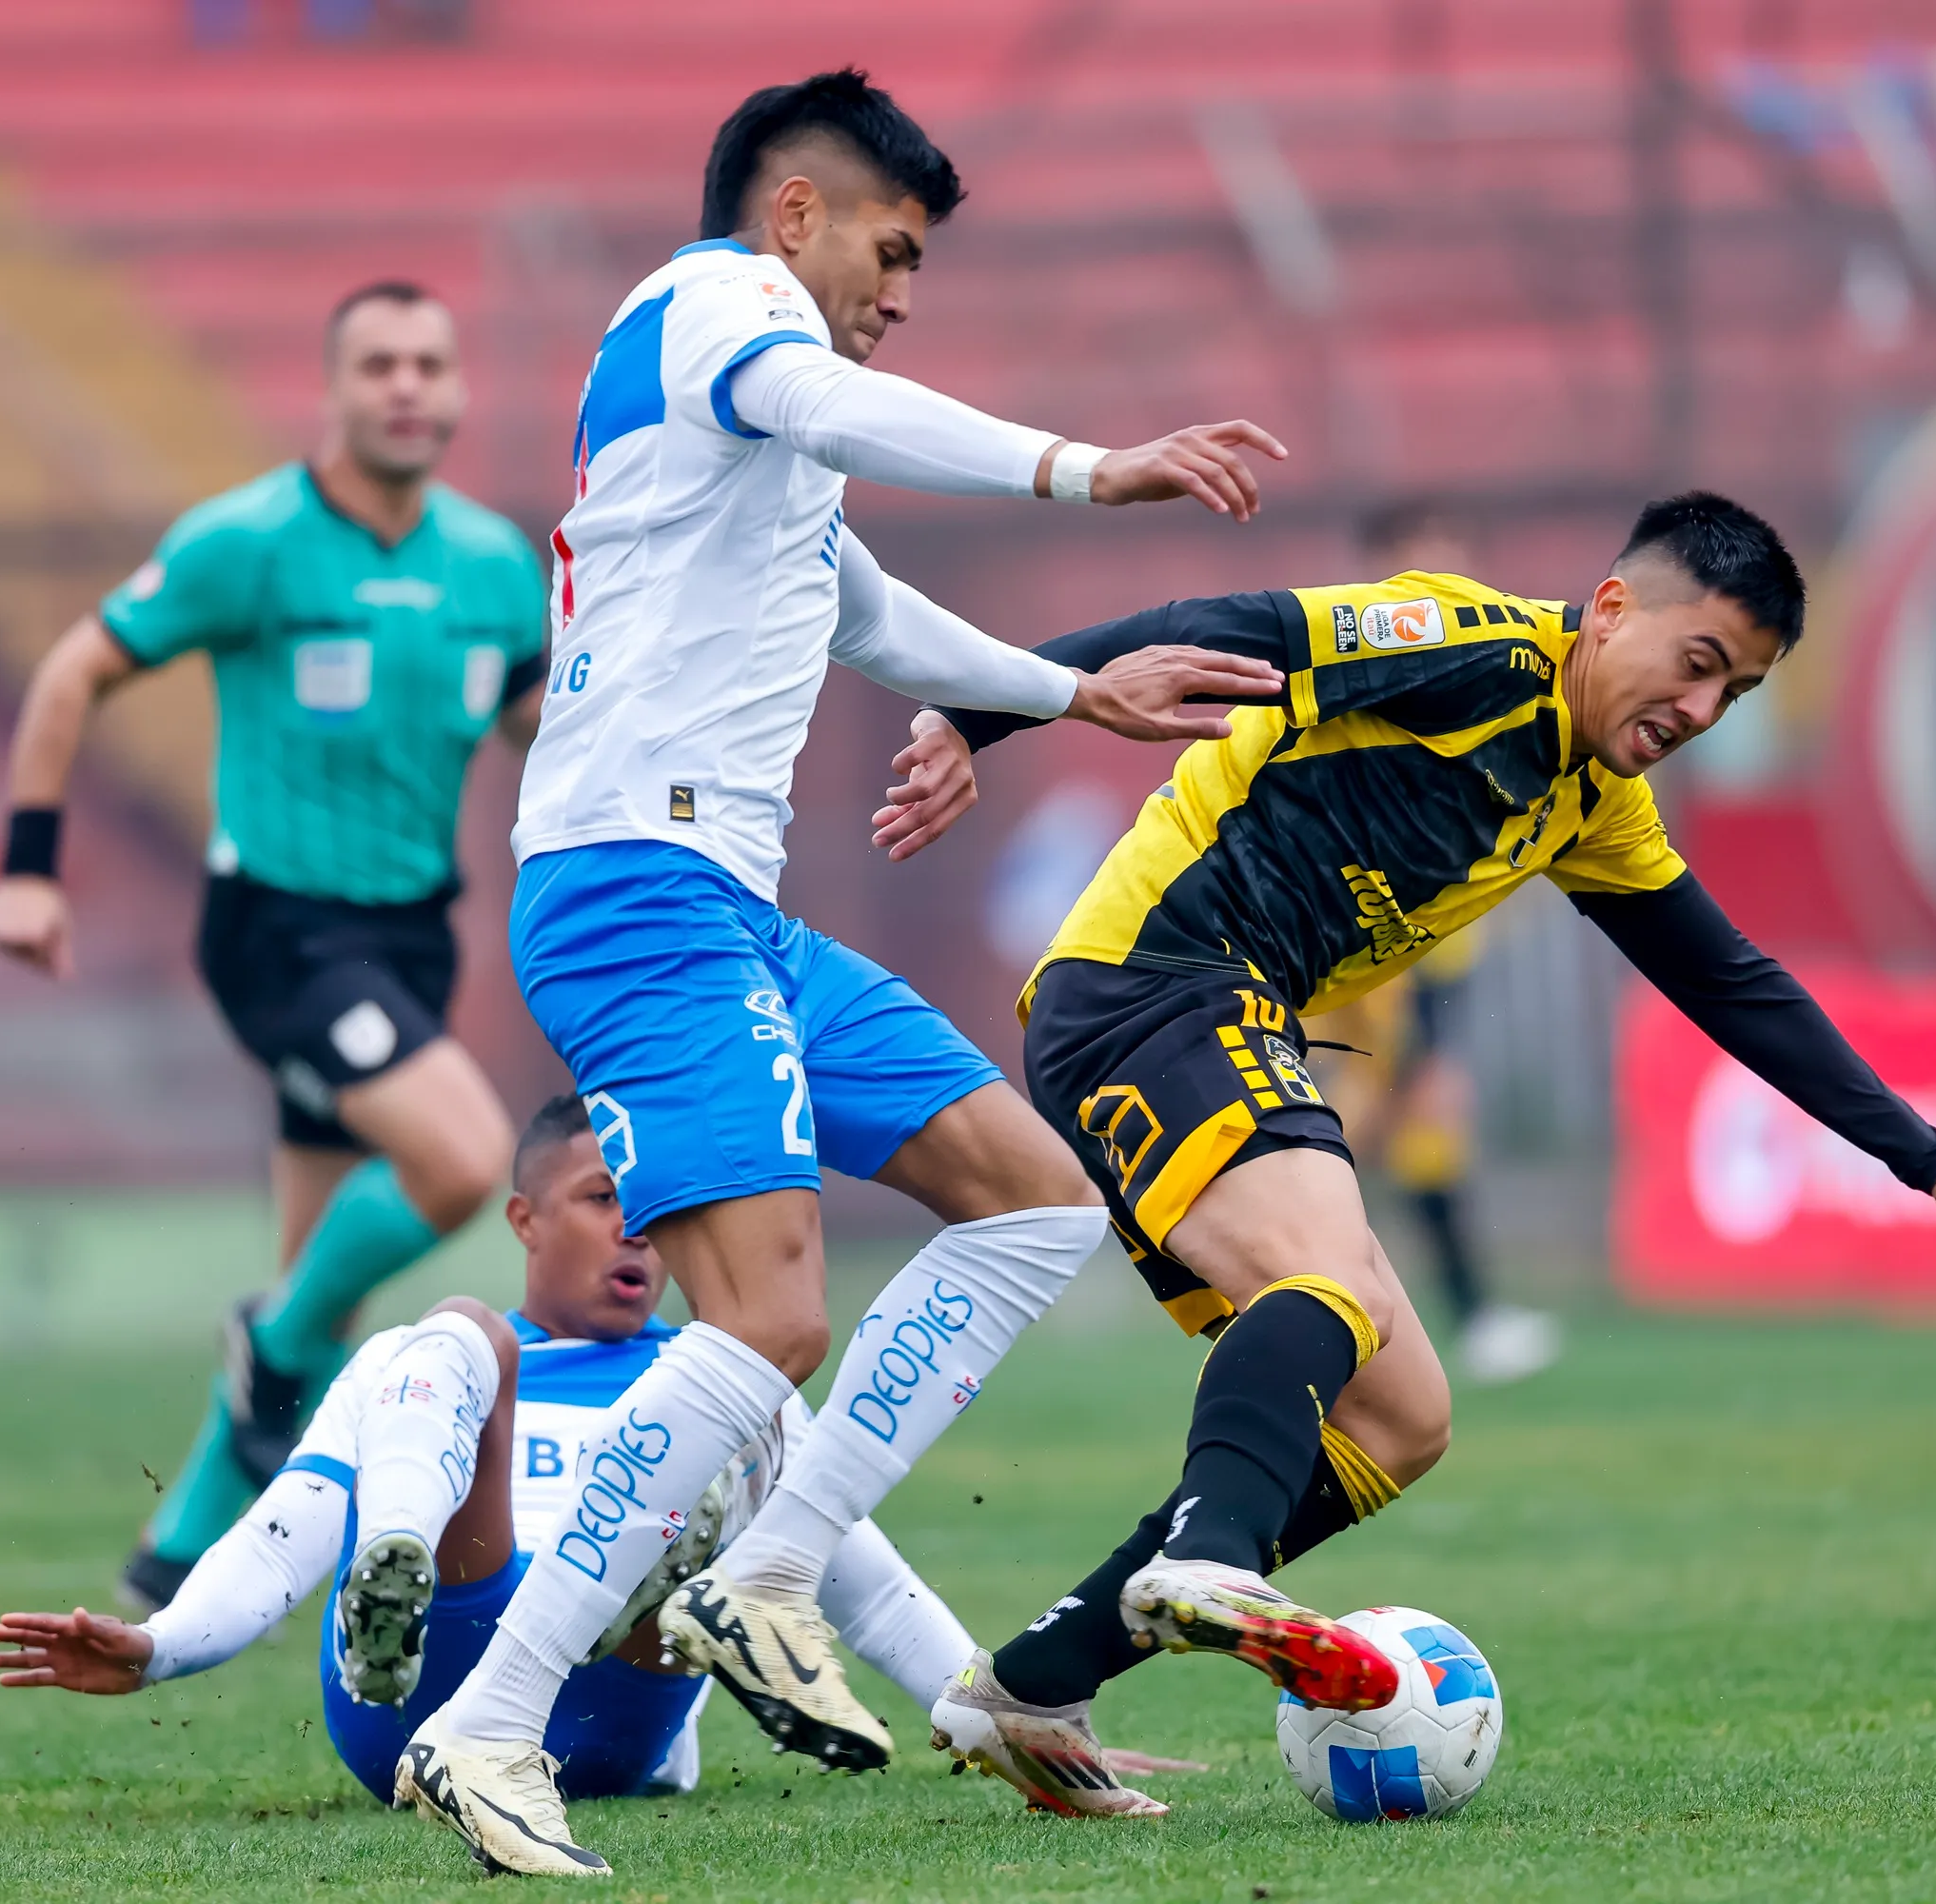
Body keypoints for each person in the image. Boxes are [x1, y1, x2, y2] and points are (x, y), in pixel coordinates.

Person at [393, 69, 1290, 1875]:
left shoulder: (754, 429)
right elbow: (833, 397)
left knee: (1035, 1199)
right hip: (635, 887)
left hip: (724, 902)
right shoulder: (718, 301)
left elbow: (857, 600)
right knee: (770, 1317)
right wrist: (1089, 469)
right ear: (794, 214)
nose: (900, 286)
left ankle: (774, 1566)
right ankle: (487, 1732)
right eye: (892, 247)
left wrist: (1066, 689)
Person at [898, 492, 1936, 1815]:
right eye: (1697, 664)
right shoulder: (1470, 646)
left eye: (1734, 695)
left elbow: (1732, 983)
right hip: (1149, 983)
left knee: (1402, 1420)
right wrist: (972, 713)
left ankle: (1037, 1683)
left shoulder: (1592, 803)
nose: (1700, 712)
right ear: (1614, 608)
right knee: (1324, 1277)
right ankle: (1213, 1556)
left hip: (1224, 1016)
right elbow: (1217, 629)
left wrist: (1932, 1161)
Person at [0, 1096, 1018, 1813]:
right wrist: (161, 1646)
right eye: (603, 1198)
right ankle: (398, 1566)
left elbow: (866, 1588)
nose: (637, 1232)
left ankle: (643, 1580)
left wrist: (1004, 1716)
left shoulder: (731, 1378)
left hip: (610, 1711)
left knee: (738, 1394)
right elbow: (285, 1535)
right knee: (466, 1331)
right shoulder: (407, 1365)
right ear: (524, 1216)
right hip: (414, 1699)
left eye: (651, 1205)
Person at [0, 283, 543, 1611]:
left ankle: (178, 1559)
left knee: (322, 1298)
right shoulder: (250, 541)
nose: (406, 386)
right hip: (281, 935)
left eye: (428, 364)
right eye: (378, 364)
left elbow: (537, 730)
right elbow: (75, 671)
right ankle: (269, 1343)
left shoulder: (497, 563)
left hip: (410, 937)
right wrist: (25, 873)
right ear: (334, 392)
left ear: (460, 393)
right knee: (462, 1162)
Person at [1309, 498, 1558, 1385]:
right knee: (1367, 1125)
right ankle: (1295, 1290)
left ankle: (1435, 1312)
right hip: (1368, 952)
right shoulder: (1357, 667)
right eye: (1424, 561)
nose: (1444, 581)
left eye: (1455, 558)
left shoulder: (1472, 672)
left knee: (1409, 1129)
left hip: (1429, 947)